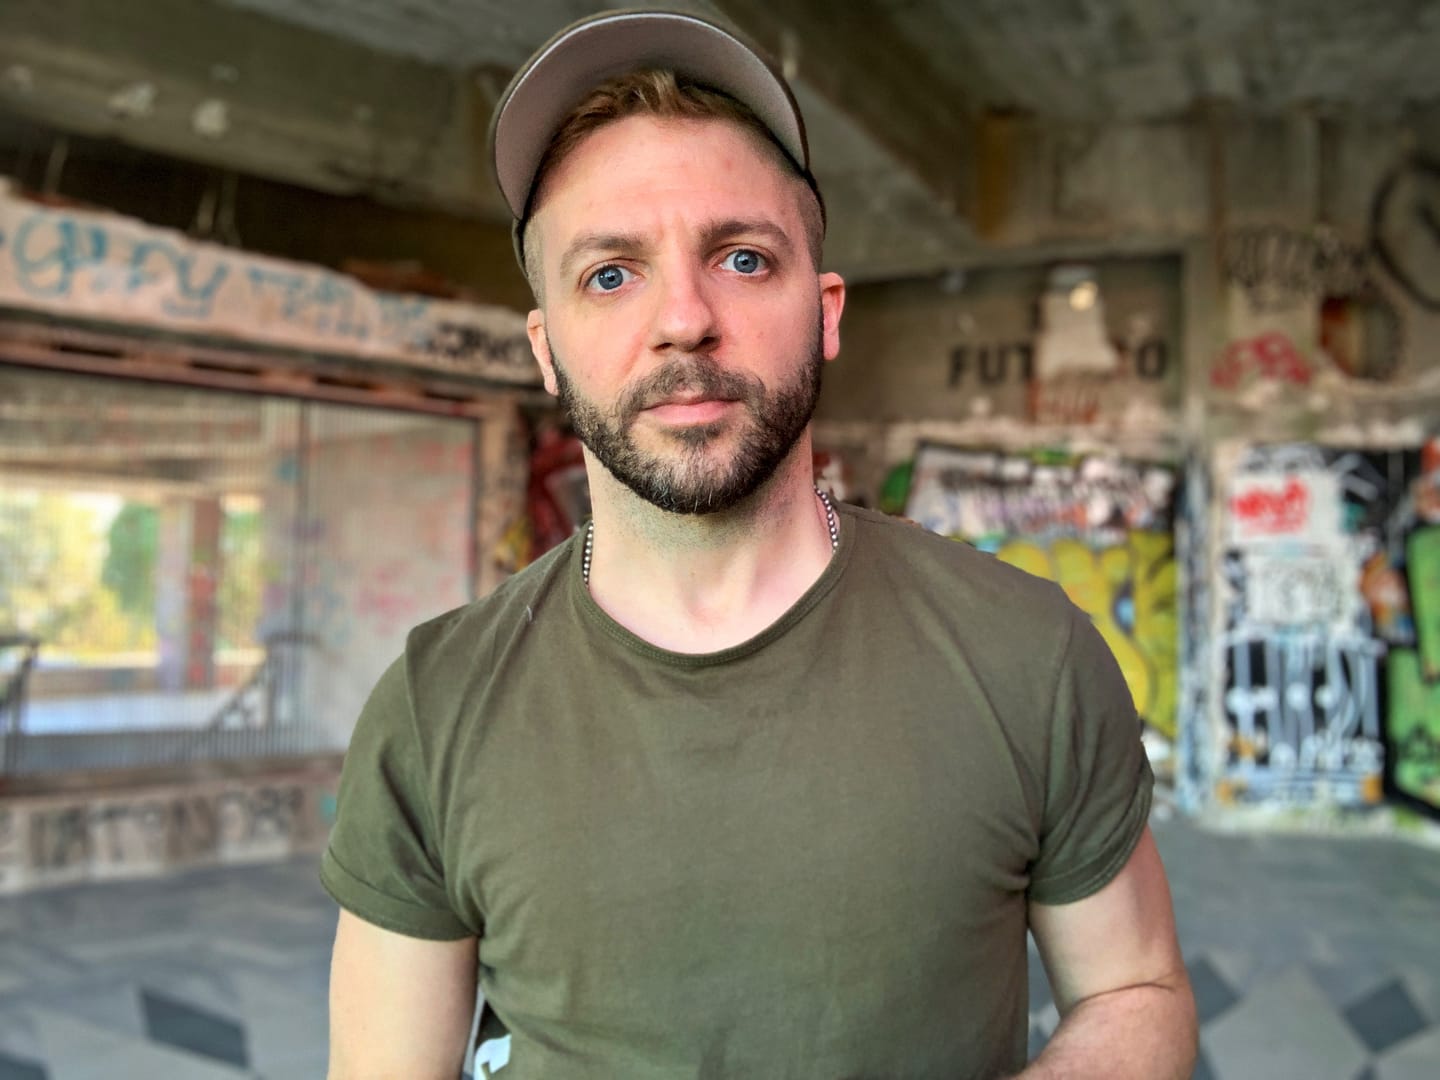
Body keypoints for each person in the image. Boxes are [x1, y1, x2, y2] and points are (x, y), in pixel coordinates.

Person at [321, 10, 1197, 1079]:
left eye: (741, 258)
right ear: (546, 350)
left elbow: (1135, 991)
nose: (684, 318)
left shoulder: (1030, 657)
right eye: (609, 273)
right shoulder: (434, 703)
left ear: (824, 311)